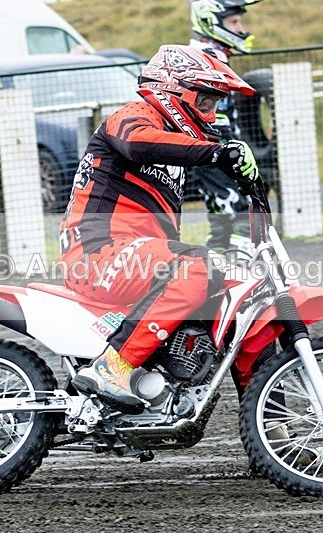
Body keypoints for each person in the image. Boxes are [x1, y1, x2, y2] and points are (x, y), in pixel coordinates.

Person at [61, 45, 258, 414]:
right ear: (173, 90)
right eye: (205, 102)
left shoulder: (173, 147)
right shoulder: (131, 116)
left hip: (134, 258)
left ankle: (273, 429)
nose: (212, 115)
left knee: (241, 287)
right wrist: (216, 154)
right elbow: (137, 142)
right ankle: (111, 368)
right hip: (95, 254)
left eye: (216, 104)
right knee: (197, 267)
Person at [189, 0, 264, 254]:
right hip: (212, 150)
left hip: (210, 151)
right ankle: (234, 274)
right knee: (240, 215)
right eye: (234, 22)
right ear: (212, 23)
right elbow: (209, 118)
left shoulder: (211, 56)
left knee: (224, 221)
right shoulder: (205, 60)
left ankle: (218, 275)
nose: (241, 29)